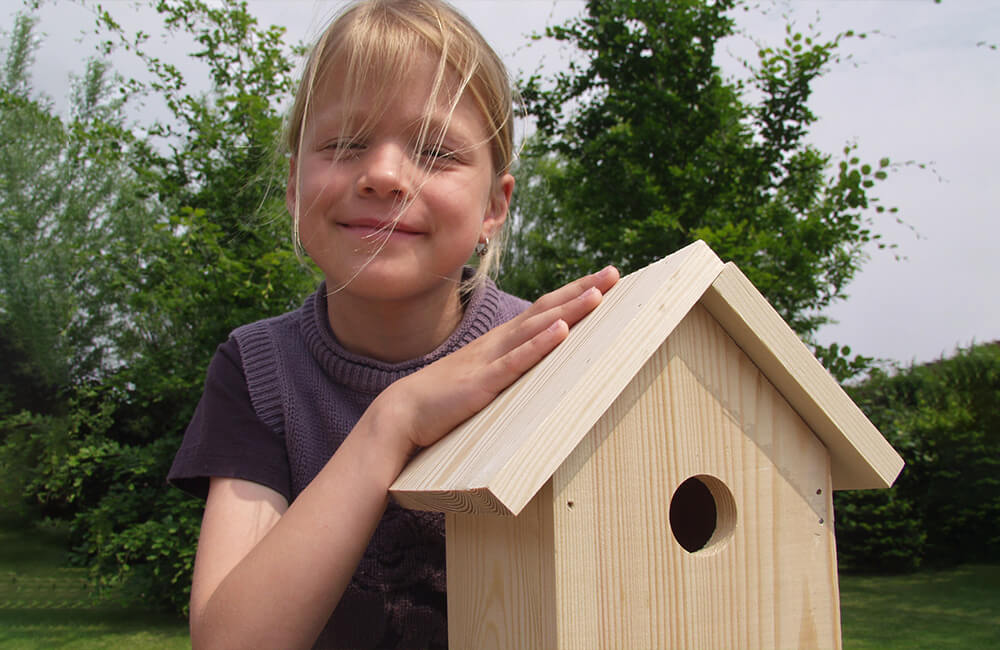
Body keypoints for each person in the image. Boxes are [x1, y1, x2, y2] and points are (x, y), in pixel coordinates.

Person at [167, 0, 619, 647]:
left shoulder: (549, 356)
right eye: (344, 144)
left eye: (435, 151)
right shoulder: (258, 370)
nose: (381, 175)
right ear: (295, 187)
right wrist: (394, 419)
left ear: (495, 204)